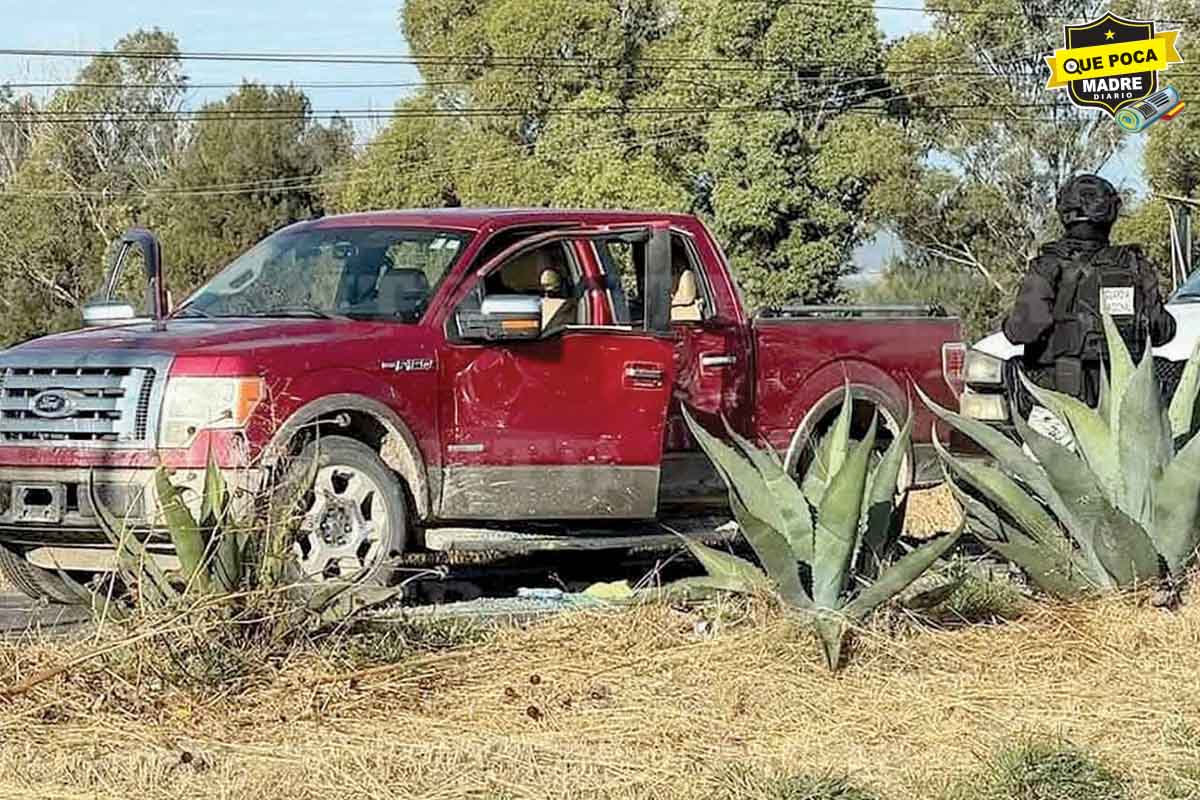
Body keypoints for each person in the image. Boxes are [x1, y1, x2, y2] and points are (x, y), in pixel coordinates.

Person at [1003, 174, 1176, 407]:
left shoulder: (1048, 266)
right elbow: (1162, 331)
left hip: (1061, 401)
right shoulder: (1135, 265)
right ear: (1111, 216)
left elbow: (1022, 332)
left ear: (1065, 215)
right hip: (1126, 403)